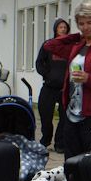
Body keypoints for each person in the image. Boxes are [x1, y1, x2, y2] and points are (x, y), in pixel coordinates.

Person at [44, 2, 91, 160]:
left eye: (90, 22)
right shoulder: (77, 46)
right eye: (81, 23)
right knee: (70, 161)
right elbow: (50, 45)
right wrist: (77, 35)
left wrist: (90, 78)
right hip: (72, 113)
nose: (85, 27)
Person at [35, 17, 70, 152]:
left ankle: (60, 143)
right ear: (55, 29)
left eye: (65, 27)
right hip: (49, 87)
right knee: (45, 114)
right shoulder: (48, 45)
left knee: (64, 118)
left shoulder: (70, 46)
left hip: (64, 88)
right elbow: (39, 63)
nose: (63, 29)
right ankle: (45, 140)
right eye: (60, 27)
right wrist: (47, 75)